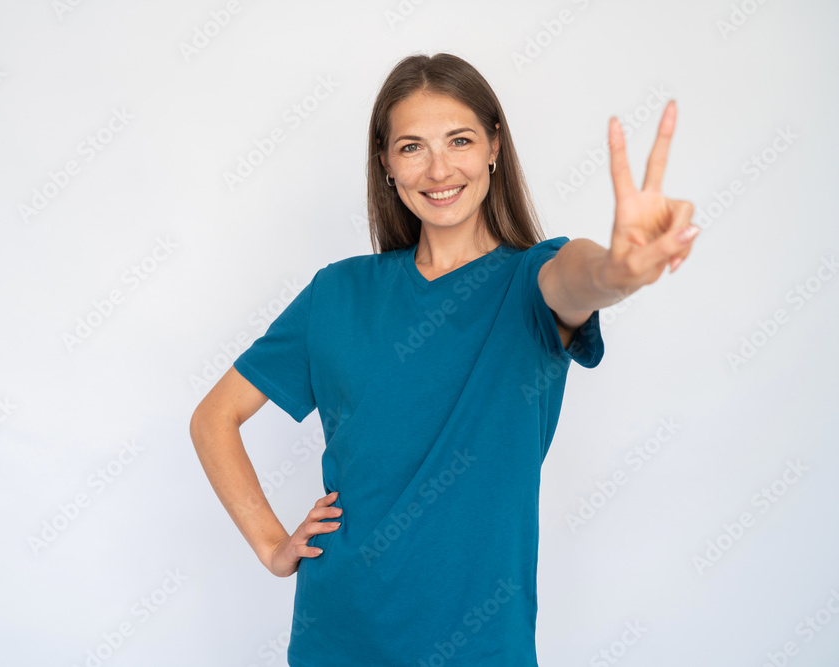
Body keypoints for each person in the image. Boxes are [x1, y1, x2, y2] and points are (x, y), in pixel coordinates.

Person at [190, 52, 697, 665]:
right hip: (337, 637)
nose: (438, 168)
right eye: (411, 147)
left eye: (459, 140)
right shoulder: (337, 293)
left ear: (492, 147)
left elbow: (580, 279)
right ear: (386, 164)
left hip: (481, 647)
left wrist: (619, 271)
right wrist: (274, 547)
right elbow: (213, 418)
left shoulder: (531, 282)